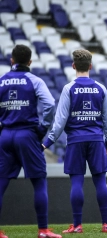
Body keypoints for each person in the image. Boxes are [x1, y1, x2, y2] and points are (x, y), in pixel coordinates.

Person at [42, 49, 107, 234]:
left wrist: (47, 143)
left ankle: (77, 225)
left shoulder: (69, 88)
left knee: (77, 183)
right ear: (90, 66)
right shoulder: (101, 88)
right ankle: (106, 224)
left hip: (75, 141)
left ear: (73, 66)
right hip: (96, 140)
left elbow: (60, 121)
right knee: (100, 182)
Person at [0, 45, 61, 238]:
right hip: (27, 135)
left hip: (5, 134)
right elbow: (50, 103)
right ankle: (43, 230)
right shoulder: (34, 80)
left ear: (12, 60)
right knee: (39, 181)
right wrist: (43, 128)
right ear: (30, 62)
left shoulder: (1, 81)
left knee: (1, 183)